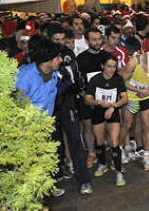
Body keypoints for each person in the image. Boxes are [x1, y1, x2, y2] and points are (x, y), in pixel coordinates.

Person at [15, 35, 65, 197]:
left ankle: (46, 186)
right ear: (48, 60)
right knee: (27, 166)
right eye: (58, 57)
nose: (61, 60)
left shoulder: (54, 75)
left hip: (45, 127)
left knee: (45, 160)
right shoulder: (23, 77)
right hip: (26, 131)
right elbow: (14, 106)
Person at [48, 24, 93, 195]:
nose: (60, 43)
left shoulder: (68, 54)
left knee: (76, 141)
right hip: (49, 107)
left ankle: (84, 180)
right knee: (53, 144)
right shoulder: (43, 56)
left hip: (68, 104)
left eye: (62, 40)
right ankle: (54, 178)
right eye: (56, 40)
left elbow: (76, 78)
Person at [85, 54, 128, 187]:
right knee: (99, 140)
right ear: (103, 66)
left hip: (112, 112)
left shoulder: (118, 80)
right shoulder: (95, 80)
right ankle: (102, 164)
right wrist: (98, 102)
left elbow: (124, 98)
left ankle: (119, 171)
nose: (111, 69)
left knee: (114, 141)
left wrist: (113, 106)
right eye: (109, 66)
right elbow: (87, 99)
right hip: (98, 112)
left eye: (114, 67)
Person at [120, 38, 149, 171]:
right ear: (147, 53)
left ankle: (146, 154)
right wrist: (139, 91)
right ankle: (119, 149)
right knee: (127, 124)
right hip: (132, 94)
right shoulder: (134, 62)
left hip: (145, 95)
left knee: (146, 124)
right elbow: (122, 80)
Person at [77, 28, 111, 168]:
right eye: (94, 39)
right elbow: (77, 84)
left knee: (108, 127)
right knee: (88, 127)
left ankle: (112, 154)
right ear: (87, 41)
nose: (97, 42)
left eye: (99, 39)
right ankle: (91, 153)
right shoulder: (80, 59)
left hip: (106, 99)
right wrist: (88, 99)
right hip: (87, 100)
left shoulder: (107, 56)